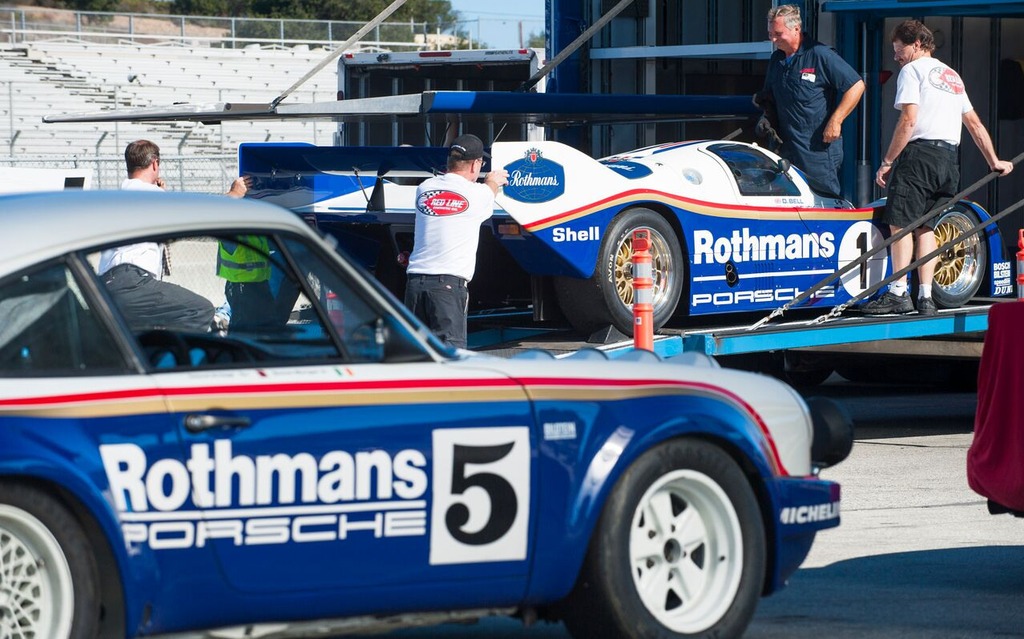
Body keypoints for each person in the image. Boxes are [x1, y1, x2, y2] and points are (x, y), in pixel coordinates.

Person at [861, 20, 1013, 316]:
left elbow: (908, 121)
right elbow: (975, 124)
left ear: (916, 44)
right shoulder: (952, 75)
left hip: (918, 156)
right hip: (948, 161)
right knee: (927, 225)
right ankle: (926, 297)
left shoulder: (911, 71)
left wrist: (888, 161)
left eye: (898, 49)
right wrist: (994, 161)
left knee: (901, 223)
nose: (896, 57)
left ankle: (898, 293)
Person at [99, 139, 247, 332]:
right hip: (133, 282)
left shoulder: (118, 197)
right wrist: (233, 195)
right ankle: (181, 359)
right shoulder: (154, 197)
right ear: (154, 164)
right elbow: (200, 215)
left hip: (106, 285)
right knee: (200, 310)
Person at [404, 133, 508, 349]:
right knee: (451, 358)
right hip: (447, 287)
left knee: (416, 356)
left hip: (414, 285)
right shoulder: (476, 194)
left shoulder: (424, 188)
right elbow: (490, 189)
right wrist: (493, 180)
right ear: (475, 165)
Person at [758, 4, 865, 197]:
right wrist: (767, 117)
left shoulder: (820, 55)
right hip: (786, 147)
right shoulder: (777, 60)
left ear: (796, 29)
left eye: (778, 34)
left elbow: (856, 85)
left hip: (817, 150)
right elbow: (769, 97)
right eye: (770, 33)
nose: (773, 39)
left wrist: (836, 121)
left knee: (823, 201)